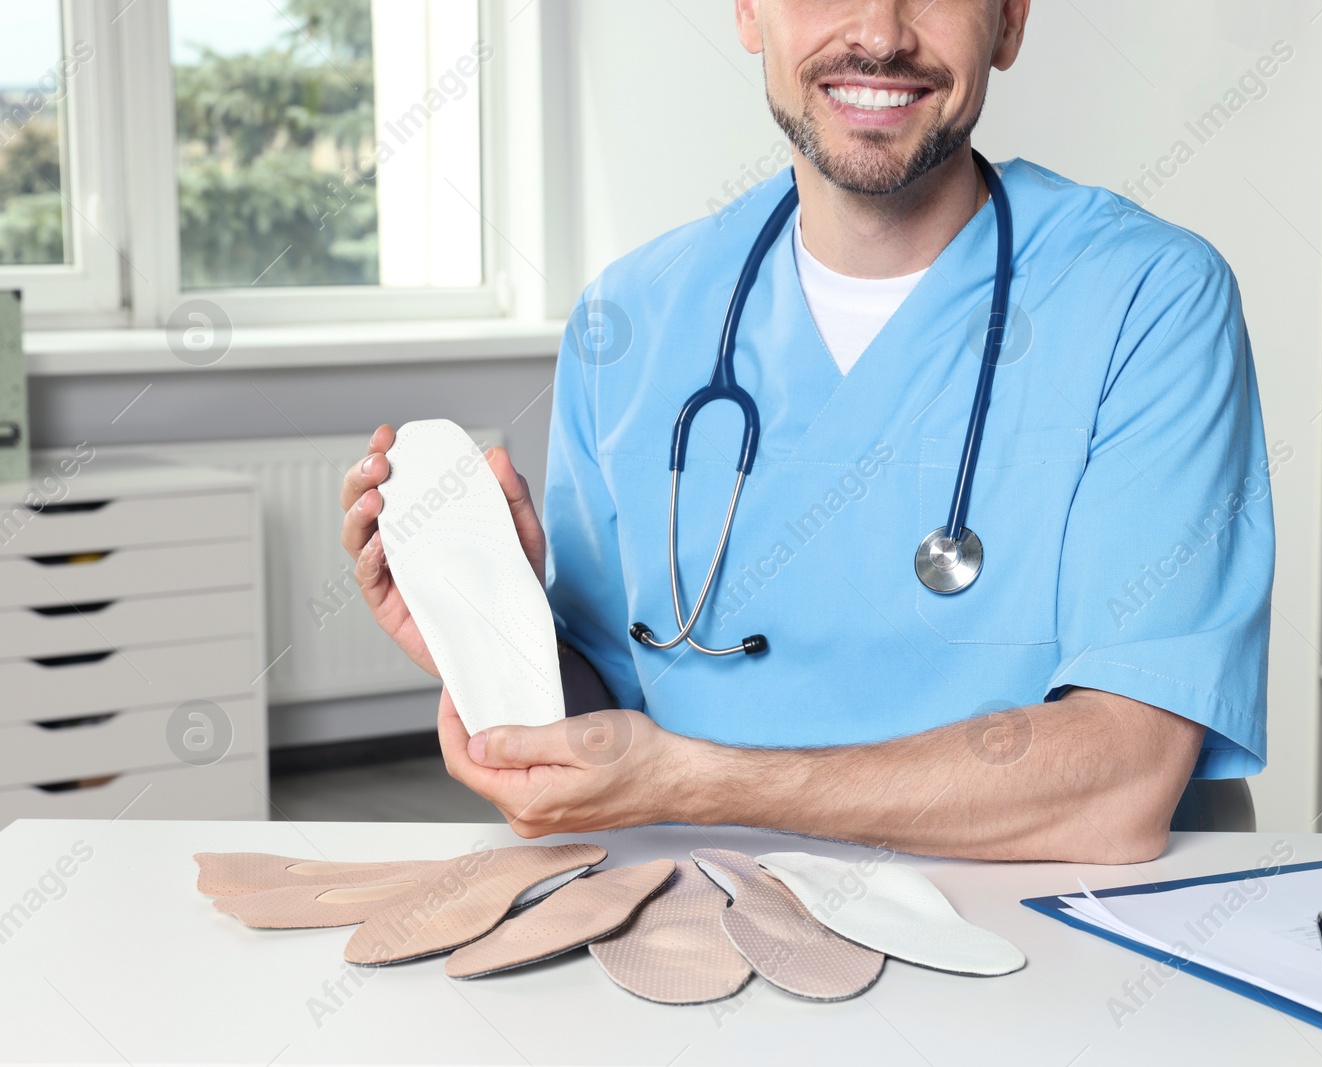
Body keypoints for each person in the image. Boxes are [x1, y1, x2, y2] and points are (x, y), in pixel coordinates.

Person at [339, 0, 1274, 863]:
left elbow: (1123, 777)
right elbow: (605, 708)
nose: (880, 31)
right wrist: (489, 643)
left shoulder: (1148, 301)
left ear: (1011, 19)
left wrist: (704, 783)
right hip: (710, 931)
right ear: (750, 11)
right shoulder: (628, 319)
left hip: (1057, 960)